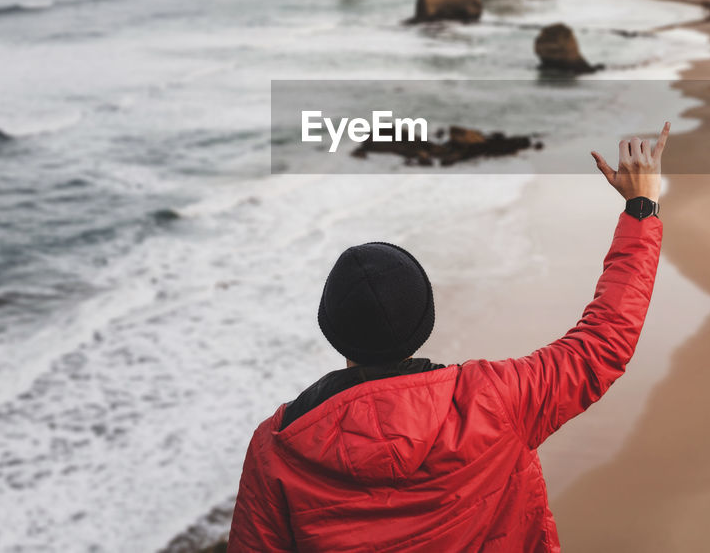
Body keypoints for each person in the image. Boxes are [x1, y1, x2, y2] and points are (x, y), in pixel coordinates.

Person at [229, 122, 670, 552]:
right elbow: (604, 342)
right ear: (425, 321)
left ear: (333, 331)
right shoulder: (496, 401)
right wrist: (641, 208)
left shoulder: (277, 448)